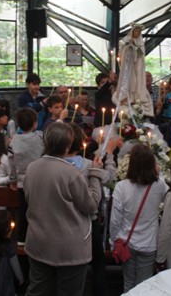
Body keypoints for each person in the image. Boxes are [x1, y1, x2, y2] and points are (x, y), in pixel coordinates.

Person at [23, 123, 104, 296]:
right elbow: (91, 206)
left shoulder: (32, 168)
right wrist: (95, 174)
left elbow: (29, 198)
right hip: (68, 248)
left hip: (39, 242)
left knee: (38, 290)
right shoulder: (71, 173)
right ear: (67, 146)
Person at [65, 123, 117, 296]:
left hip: (65, 220)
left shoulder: (57, 165)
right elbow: (109, 178)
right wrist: (110, 155)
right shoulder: (88, 165)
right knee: (98, 264)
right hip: (88, 222)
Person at [110, 144, 169, 292]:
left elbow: (115, 220)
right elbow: (170, 199)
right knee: (143, 287)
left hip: (127, 241)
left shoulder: (121, 187)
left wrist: (114, 241)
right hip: (149, 243)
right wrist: (158, 173)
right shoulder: (159, 185)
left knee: (128, 284)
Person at [8, 108, 44, 244]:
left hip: (22, 183)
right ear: (35, 123)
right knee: (39, 211)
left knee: (23, 212)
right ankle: (39, 238)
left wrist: (13, 180)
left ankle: (22, 239)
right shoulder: (40, 137)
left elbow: (11, 163)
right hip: (39, 180)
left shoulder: (14, 141)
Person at [112, 23, 154, 117]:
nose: (137, 33)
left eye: (139, 31)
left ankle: (135, 97)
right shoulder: (126, 39)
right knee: (128, 81)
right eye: (136, 31)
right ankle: (126, 96)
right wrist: (128, 46)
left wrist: (135, 48)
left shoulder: (140, 43)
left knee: (136, 81)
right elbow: (121, 50)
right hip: (127, 66)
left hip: (136, 66)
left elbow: (141, 55)